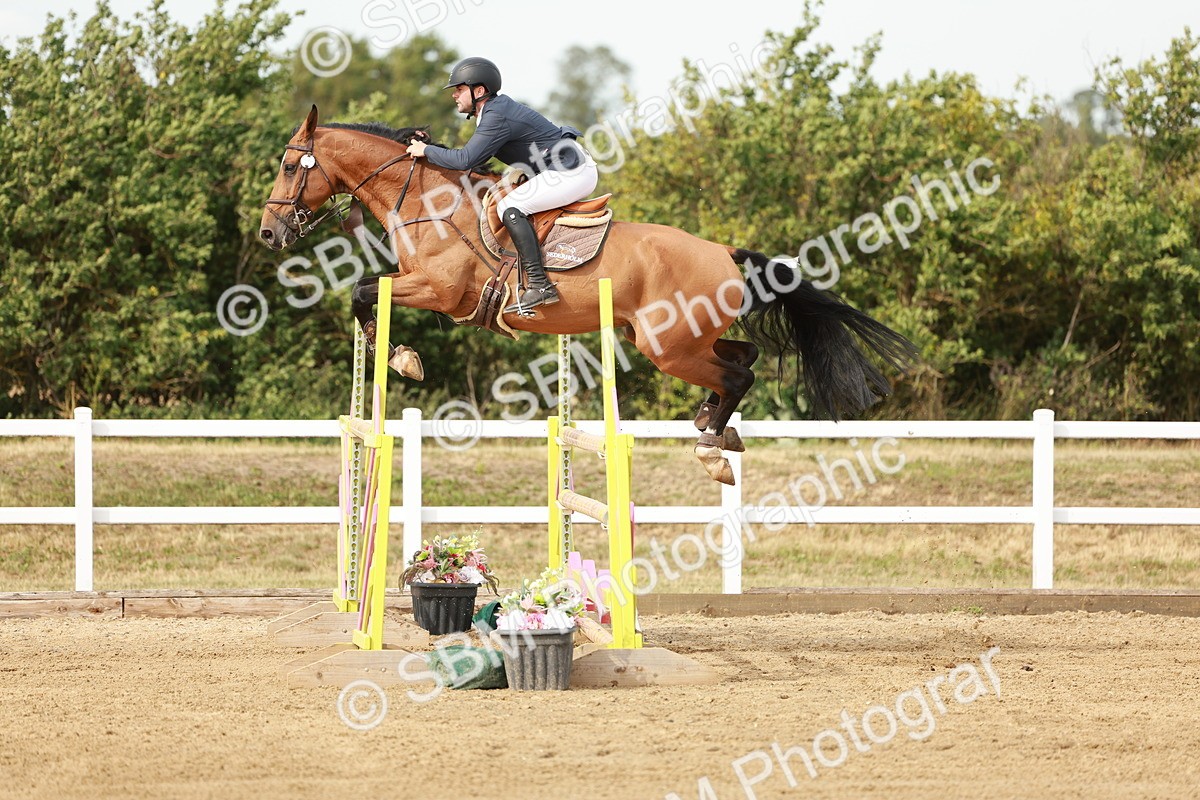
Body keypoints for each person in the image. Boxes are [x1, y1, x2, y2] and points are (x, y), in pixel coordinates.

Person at [406, 57, 599, 313]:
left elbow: (466, 160)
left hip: (571, 171)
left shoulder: (496, 115)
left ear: (479, 91)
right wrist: (428, 146)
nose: (454, 95)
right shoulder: (492, 110)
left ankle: (540, 286)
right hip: (560, 168)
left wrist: (427, 150)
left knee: (510, 206)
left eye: (459, 89)